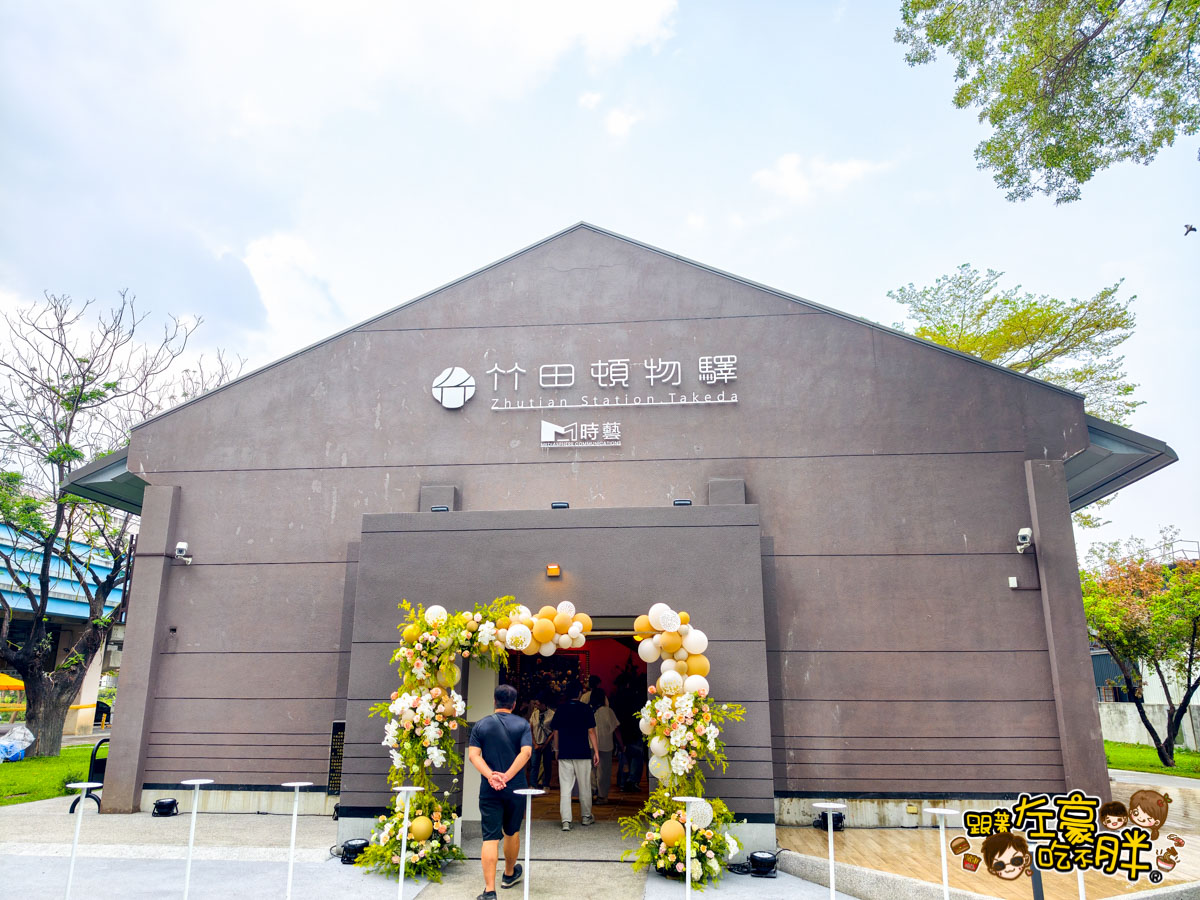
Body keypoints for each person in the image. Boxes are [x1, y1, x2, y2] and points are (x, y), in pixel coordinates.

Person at [468, 684, 533, 900]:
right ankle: (508, 874)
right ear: (514, 704)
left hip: (490, 789)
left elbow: (474, 756)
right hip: (516, 788)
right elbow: (526, 753)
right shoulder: (523, 724)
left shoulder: (481, 725)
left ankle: (489, 891)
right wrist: (507, 776)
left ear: (494, 701)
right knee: (512, 832)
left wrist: (491, 776)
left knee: (490, 838)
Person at [550, 680, 598, 831]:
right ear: (579, 693)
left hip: (565, 752)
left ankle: (566, 821)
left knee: (565, 788)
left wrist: (556, 751)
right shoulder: (586, 709)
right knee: (584, 786)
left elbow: (556, 732)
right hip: (582, 752)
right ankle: (585, 817)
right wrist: (596, 751)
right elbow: (591, 731)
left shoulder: (560, 709)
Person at [588, 688, 623, 803]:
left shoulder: (588, 710)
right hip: (605, 745)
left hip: (590, 745)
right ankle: (602, 796)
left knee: (591, 771)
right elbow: (616, 729)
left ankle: (592, 792)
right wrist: (621, 744)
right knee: (604, 771)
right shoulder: (608, 711)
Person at [526, 694, 554, 789]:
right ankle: (533, 785)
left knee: (547, 765)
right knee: (534, 765)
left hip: (547, 743)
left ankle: (546, 784)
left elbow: (554, 731)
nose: (536, 706)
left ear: (543, 704)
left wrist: (545, 744)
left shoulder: (551, 714)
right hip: (535, 743)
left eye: (537, 704)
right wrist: (535, 743)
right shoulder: (535, 714)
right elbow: (530, 728)